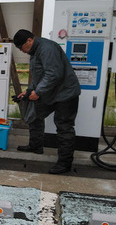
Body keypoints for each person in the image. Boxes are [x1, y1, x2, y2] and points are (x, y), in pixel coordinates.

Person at [13, 29, 81, 175]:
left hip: (65, 94)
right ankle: (36, 145)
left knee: (64, 127)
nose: (21, 51)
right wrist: (29, 90)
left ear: (29, 40)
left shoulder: (47, 48)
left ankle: (64, 163)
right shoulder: (35, 51)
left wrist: (38, 92)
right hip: (51, 92)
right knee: (35, 113)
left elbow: (54, 74)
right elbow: (39, 76)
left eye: (21, 47)